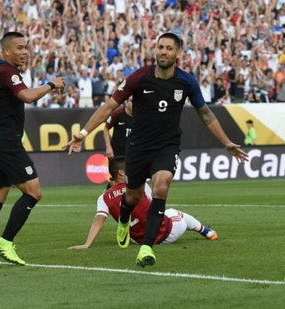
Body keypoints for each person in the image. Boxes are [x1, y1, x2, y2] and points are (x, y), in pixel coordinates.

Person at [65, 32, 248, 267]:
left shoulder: (187, 82)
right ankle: (123, 220)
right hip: (139, 148)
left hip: (167, 146)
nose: (163, 51)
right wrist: (82, 134)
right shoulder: (139, 78)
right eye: (160, 47)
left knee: (161, 187)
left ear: (178, 53)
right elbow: (109, 106)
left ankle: (146, 248)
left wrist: (226, 142)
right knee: (132, 196)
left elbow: (206, 113)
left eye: (169, 48)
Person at [0, 32, 66, 266]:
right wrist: (51, 84)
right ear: (6, 51)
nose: (25, 52)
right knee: (34, 191)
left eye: (25, 47)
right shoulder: (7, 70)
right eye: (19, 48)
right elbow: (26, 96)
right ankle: (5, 243)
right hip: (7, 142)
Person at [68, 157, 217, 250]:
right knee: (176, 213)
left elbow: (98, 221)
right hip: (165, 234)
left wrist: (86, 244)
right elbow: (153, 210)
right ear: (121, 172)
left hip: (139, 241)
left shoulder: (103, 198)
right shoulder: (138, 184)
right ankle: (206, 231)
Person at [102, 97, 133, 188]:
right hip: (117, 154)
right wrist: (108, 147)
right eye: (131, 101)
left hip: (133, 153)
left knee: (132, 180)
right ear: (126, 102)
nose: (134, 103)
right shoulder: (118, 114)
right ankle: (109, 197)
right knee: (117, 180)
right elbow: (106, 128)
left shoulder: (142, 115)